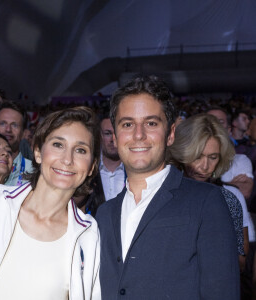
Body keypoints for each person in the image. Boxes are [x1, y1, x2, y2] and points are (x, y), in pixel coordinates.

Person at [96, 76, 239, 299]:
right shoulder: (104, 214)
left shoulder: (207, 202)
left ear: (170, 134)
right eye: (127, 124)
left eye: (151, 123)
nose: (139, 134)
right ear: (115, 137)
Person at [0, 107, 101, 300]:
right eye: (58, 144)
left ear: (91, 166)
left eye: (81, 150)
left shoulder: (88, 235)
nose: (68, 159)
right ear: (38, 152)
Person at [167, 114, 247, 267]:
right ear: (182, 153)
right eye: (197, 156)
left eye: (213, 157)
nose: (205, 166)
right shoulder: (164, 196)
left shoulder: (228, 199)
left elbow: (241, 262)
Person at [84, 113, 125, 216]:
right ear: (99, 136)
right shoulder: (88, 170)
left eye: (117, 133)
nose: (113, 139)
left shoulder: (133, 170)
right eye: (107, 133)